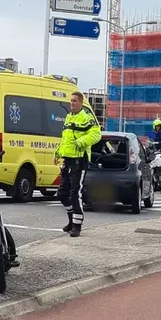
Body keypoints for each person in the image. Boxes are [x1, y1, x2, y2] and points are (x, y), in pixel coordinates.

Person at [54, 91, 101, 237]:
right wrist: (58, 153)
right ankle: (71, 219)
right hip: (67, 159)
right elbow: (65, 139)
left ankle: (77, 225)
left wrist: (82, 142)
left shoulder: (86, 118)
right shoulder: (69, 118)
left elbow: (96, 134)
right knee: (62, 194)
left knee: (75, 193)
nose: (72, 103)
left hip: (79, 160)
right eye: (71, 101)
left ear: (81, 103)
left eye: (75, 101)